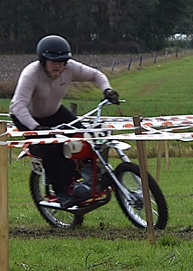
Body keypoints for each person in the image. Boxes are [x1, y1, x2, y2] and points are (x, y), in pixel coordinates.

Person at [10, 34, 119, 207]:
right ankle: (60, 191)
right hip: (27, 116)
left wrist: (107, 90)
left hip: (54, 111)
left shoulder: (70, 68)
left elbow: (96, 75)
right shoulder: (31, 74)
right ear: (42, 60)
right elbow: (18, 106)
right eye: (53, 61)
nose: (58, 65)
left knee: (85, 137)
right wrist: (36, 127)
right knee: (51, 148)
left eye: (61, 61)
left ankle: (89, 177)